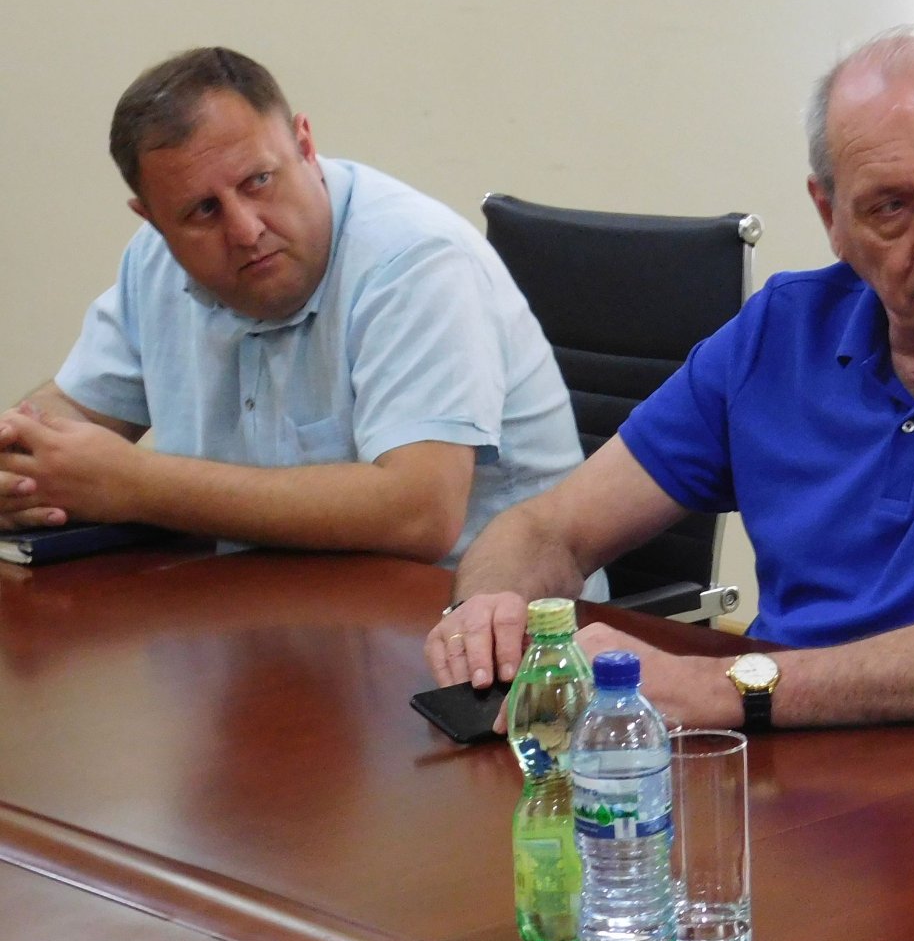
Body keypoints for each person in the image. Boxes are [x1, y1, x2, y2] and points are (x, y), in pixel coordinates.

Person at [425, 24, 914, 726]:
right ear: (830, 217)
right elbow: (549, 529)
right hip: (779, 762)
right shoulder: (781, 331)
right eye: (891, 208)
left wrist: (721, 688)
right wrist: (489, 607)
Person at [0, 47, 586, 569]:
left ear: (305, 145)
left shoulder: (415, 260)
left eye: (258, 180)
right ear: (152, 219)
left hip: (480, 626)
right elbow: (73, 411)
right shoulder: (155, 261)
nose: (245, 229)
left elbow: (419, 514)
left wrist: (136, 484)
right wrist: (19, 461)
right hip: (269, 607)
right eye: (203, 211)